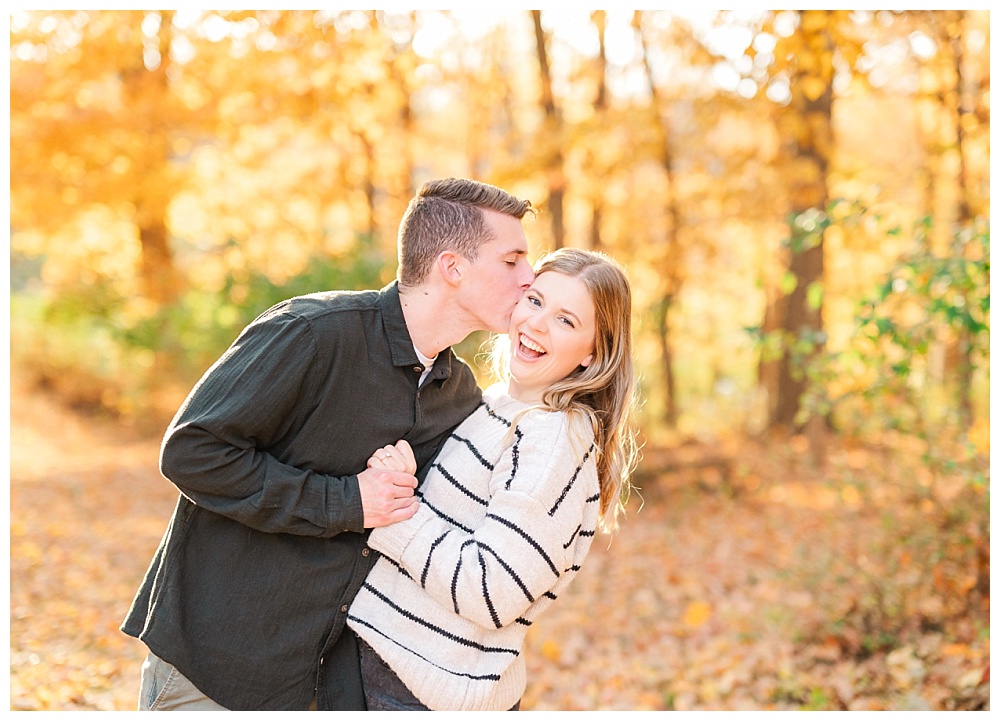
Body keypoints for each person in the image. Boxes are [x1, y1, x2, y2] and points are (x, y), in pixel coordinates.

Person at [120, 178, 537, 711]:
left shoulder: (457, 395)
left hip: (330, 686)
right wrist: (346, 501)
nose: (529, 278)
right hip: (218, 667)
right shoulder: (314, 334)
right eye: (513, 260)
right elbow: (192, 450)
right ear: (452, 268)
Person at [346, 247, 640, 711]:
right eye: (536, 301)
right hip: (398, 670)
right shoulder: (502, 406)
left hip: (423, 690)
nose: (538, 323)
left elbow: (492, 592)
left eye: (567, 321)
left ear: (593, 354)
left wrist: (391, 510)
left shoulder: (550, 438)